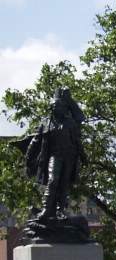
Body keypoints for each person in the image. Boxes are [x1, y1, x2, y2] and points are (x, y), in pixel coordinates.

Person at [24, 87, 88, 220]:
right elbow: (36, 141)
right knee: (53, 180)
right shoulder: (45, 123)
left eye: (60, 106)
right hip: (54, 155)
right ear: (52, 108)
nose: (59, 108)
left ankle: (60, 210)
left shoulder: (69, 122)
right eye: (56, 106)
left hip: (69, 156)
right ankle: (47, 209)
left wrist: (83, 156)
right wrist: (28, 156)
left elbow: (77, 141)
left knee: (64, 183)